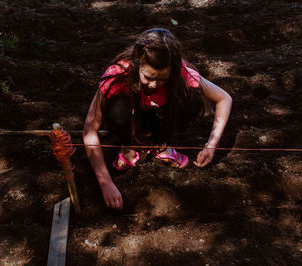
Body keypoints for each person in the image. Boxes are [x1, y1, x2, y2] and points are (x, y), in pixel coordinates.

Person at [83, 28, 232, 209]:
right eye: (148, 77)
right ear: (137, 64)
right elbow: (90, 129)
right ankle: (128, 147)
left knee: (191, 98)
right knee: (118, 106)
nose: (154, 84)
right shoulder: (118, 74)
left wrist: (211, 145)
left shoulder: (181, 74)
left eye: (163, 79)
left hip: (160, 115)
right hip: (129, 114)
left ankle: (160, 145)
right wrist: (106, 183)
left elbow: (224, 98)